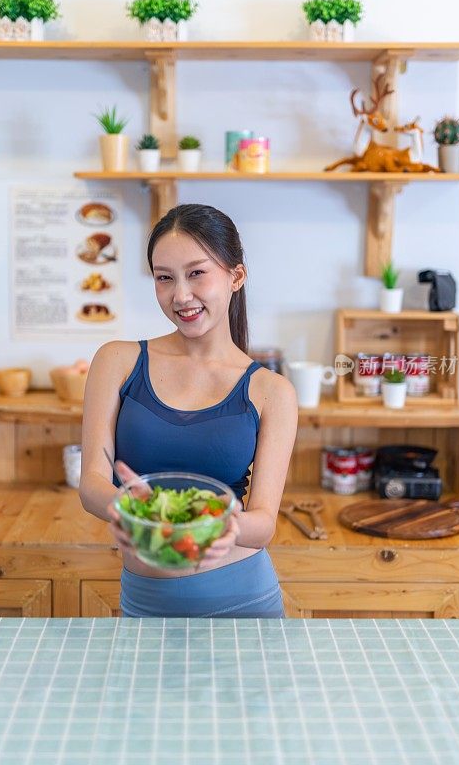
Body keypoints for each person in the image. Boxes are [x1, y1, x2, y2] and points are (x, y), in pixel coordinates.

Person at [79, 203, 298, 617]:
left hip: (243, 601)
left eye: (196, 273)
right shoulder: (117, 361)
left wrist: (226, 525)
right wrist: (143, 515)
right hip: (145, 601)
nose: (180, 295)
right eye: (165, 278)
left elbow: (263, 523)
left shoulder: (272, 391)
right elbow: (92, 481)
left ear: (236, 276)